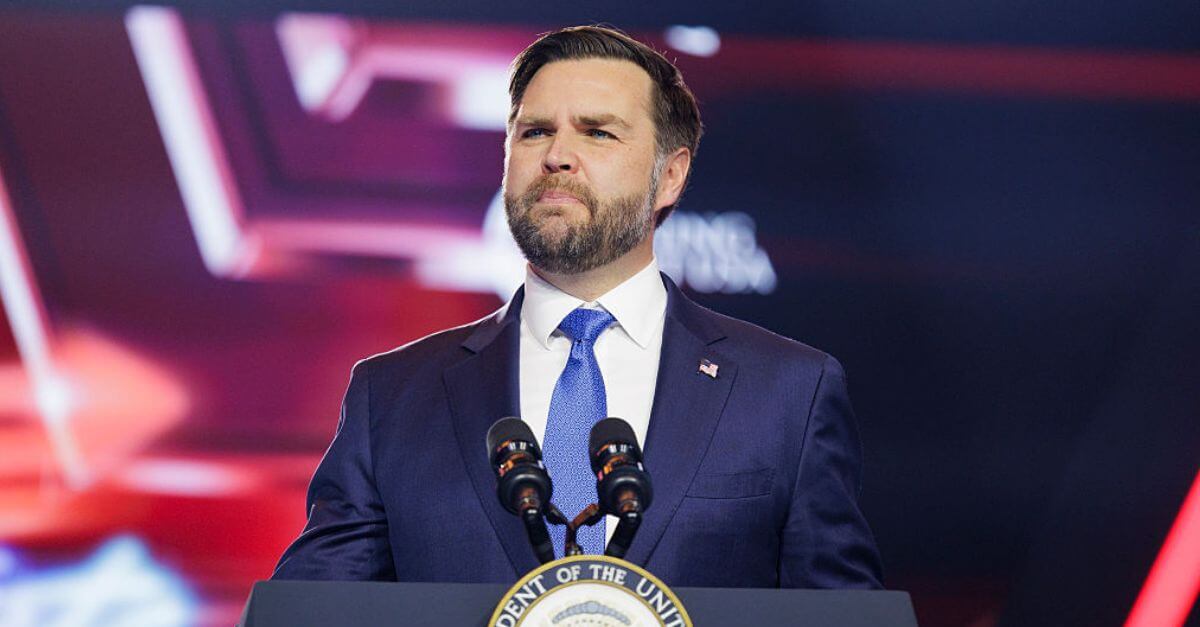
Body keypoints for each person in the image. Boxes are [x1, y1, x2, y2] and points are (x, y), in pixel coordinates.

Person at [272, 25, 883, 589]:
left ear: (670, 176)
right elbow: (309, 615)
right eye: (534, 131)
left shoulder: (789, 394)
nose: (557, 155)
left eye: (597, 131)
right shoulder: (393, 396)